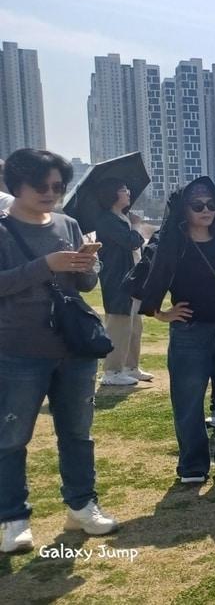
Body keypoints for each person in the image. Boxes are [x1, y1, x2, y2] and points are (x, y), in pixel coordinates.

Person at [0, 149, 116, 554]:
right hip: (18, 349)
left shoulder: (68, 224)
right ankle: (13, 518)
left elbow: (84, 285)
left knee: (78, 433)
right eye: (41, 185)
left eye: (58, 186)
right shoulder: (2, 229)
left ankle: (82, 504)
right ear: (15, 184)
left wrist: (87, 264)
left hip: (75, 347)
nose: (51, 193)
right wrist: (46, 264)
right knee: (12, 437)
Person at [136, 176, 215, 484]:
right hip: (189, 332)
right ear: (183, 210)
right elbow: (152, 283)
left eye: (211, 204)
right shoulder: (173, 243)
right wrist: (164, 314)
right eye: (198, 205)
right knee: (188, 401)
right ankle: (192, 464)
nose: (206, 210)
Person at [92, 178, 150, 387]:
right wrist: (136, 226)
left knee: (135, 325)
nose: (128, 193)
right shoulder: (106, 220)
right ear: (112, 195)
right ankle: (112, 371)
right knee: (119, 324)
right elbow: (131, 242)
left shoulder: (121, 217)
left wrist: (134, 225)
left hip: (132, 277)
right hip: (117, 279)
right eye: (123, 190)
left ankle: (130, 367)